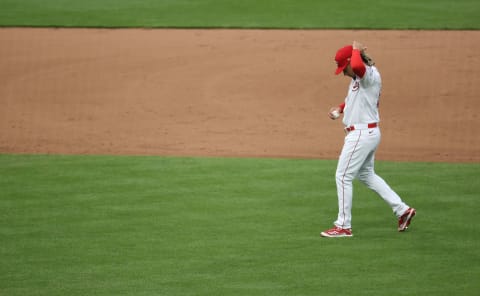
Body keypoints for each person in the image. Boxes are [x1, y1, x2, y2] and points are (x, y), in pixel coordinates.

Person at [320, 41, 416, 238]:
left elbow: (356, 66)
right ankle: (402, 210)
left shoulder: (368, 74)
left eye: (342, 67)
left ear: (350, 62)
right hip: (365, 134)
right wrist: (340, 108)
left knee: (343, 176)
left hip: (361, 135)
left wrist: (356, 50)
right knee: (366, 175)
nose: (343, 72)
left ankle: (343, 226)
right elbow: (352, 99)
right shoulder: (358, 79)